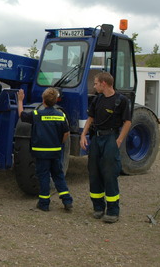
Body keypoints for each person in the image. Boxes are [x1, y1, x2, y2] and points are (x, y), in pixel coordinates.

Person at [80, 72, 132, 223]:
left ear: (103, 83)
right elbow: (91, 118)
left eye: (96, 83)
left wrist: (119, 140)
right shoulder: (97, 99)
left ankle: (113, 210)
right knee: (94, 171)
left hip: (111, 138)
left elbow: (127, 122)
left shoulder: (121, 101)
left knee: (109, 173)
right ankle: (98, 207)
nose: (94, 86)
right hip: (96, 138)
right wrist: (83, 135)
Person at [17, 87, 73, 212]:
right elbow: (66, 134)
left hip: (41, 153)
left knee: (43, 177)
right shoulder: (61, 115)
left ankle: (44, 203)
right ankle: (67, 200)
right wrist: (59, 143)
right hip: (55, 152)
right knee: (58, 176)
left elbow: (22, 115)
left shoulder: (37, 115)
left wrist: (20, 100)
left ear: (43, 100)